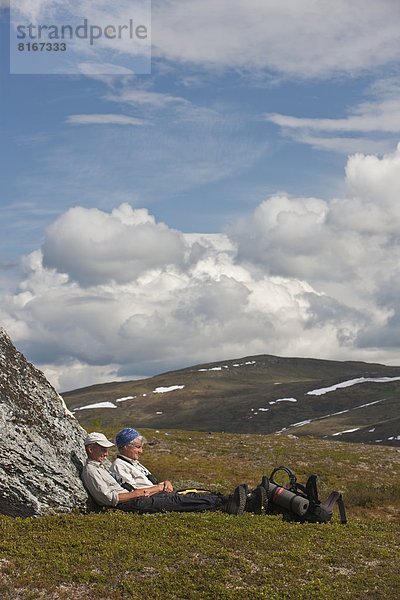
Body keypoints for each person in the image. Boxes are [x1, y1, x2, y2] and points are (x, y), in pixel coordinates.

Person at [81, 431, 266, 515]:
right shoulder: (94, 470)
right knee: (181, 500)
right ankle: (234, 504)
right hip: (136, 501)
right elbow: (110, 497)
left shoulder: (101, 467)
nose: (106, 452)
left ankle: (238, 500)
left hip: (143, 497)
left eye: (107, 448)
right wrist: (145, 492)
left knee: (191, 494)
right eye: (101, 449)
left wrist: (161, 485)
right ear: (90, 450)